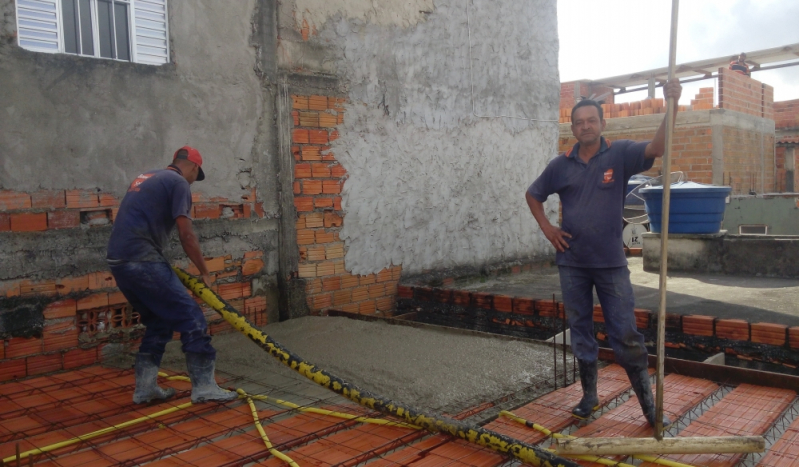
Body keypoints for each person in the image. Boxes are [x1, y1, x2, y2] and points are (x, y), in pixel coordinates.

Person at [525, 80, 682, 428]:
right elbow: (533, 195)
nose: (585, 126)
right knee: (580, 331)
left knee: (625, 333)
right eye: (579, 122)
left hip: (611, 264)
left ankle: (649, 408)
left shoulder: (620, 154)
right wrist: (548, 230)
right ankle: (589, 396)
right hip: (572, 264)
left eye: (591, 121)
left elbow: (657, 146)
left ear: (602, 124)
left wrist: (672, 105)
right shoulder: (560, 165)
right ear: (573, 127)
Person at [107, 146, 237, 404]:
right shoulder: (178, 183)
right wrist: (204, 271)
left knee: (159, 322)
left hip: (118, 261)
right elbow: (186, 234)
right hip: (142, 259)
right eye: (195, 177)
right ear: (194, 168)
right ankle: (204, 387)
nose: (192, 182)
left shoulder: (148, 176)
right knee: (192, 318)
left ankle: (145, 390)